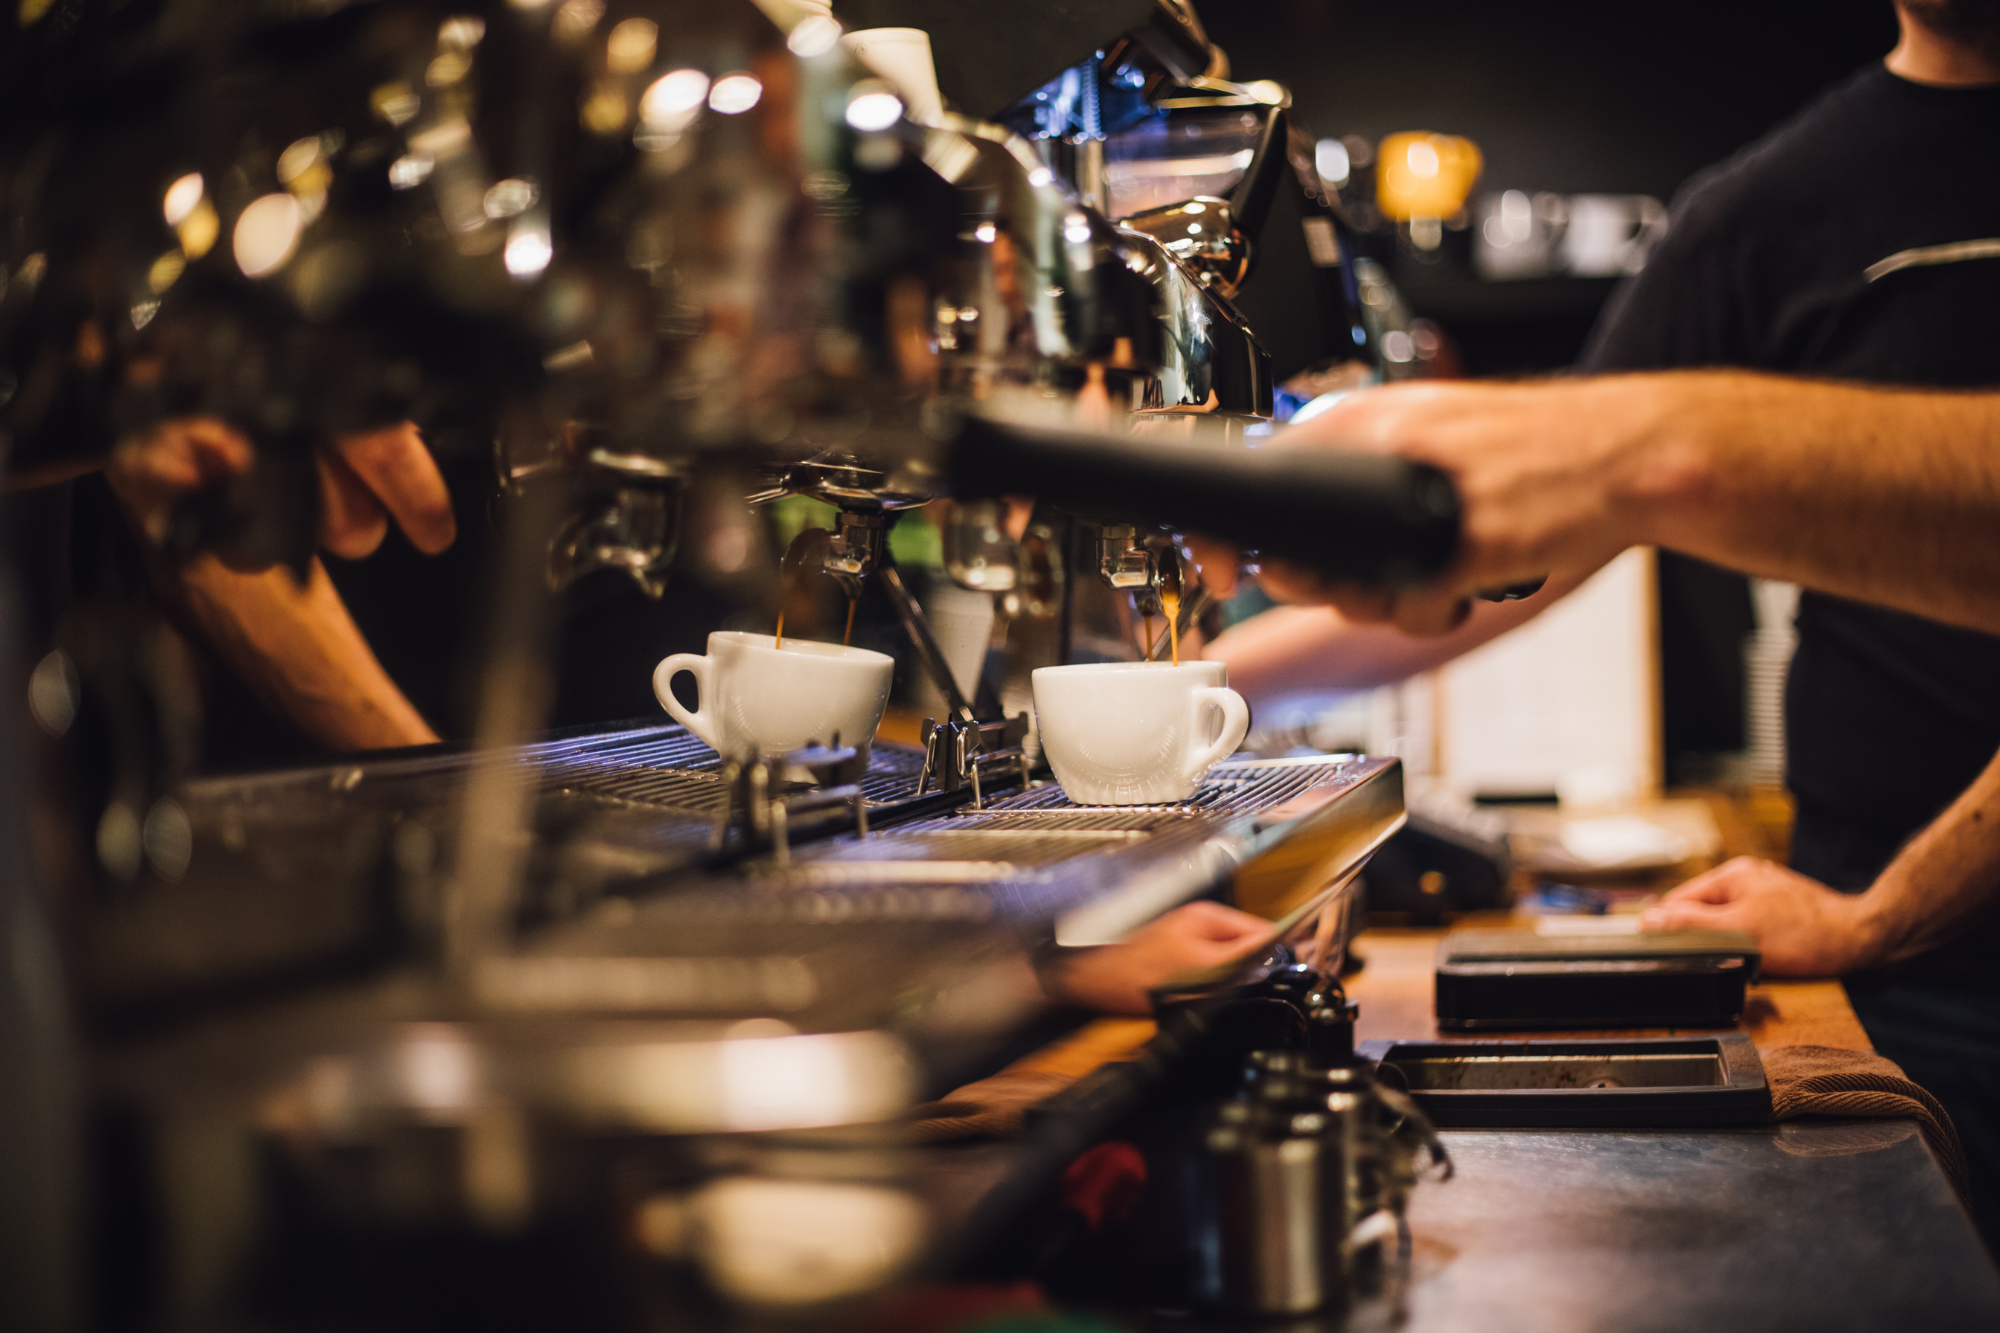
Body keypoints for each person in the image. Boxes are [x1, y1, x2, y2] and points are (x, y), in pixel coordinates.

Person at [1205, 0, 2000, 1245]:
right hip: (1879, 945)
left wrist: (1623, 447)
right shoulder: (1765, 205)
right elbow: (1537, 552)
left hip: (1895, 916)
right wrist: (1206, 685)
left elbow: (1581, 491)